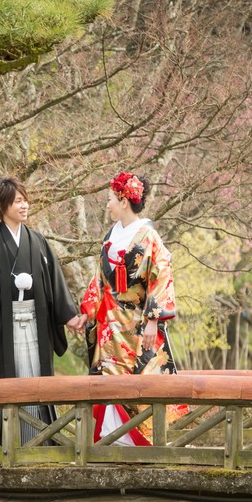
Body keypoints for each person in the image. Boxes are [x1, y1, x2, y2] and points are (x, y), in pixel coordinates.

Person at [0, 176, 86, 444]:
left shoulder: (37, 241)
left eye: (25, 200)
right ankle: (0, 443)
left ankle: (38, 439)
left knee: (33, 376)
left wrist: (70, 316)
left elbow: (55, 282)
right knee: (5, 379)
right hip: (1, 327)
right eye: (18, 201)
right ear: (0, 205)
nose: (25, 205)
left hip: (35, 324)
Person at [80, 171, 181, 445]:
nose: (108, 205)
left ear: (124, 200)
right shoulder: (111, 235)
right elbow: (99, 279)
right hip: (109, 324)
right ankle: (110, 442)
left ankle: (138, 444)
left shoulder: (148, 236)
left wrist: (152, 320)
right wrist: (86, 311)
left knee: (137, 380)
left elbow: (162, 276)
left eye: (111, 199)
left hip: (136, 323)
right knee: (108, 380)